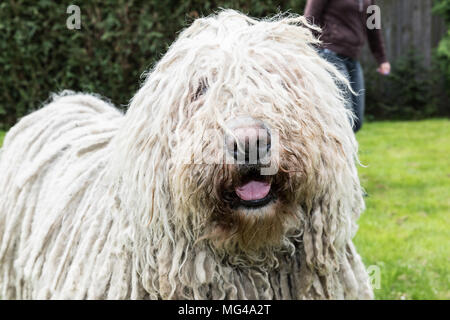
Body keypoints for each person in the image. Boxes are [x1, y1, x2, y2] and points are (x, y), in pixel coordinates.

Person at [304, 0, 391, 132]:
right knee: (344, 118)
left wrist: (382, 58)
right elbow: (309, 20)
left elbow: (373, 27)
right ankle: (334, 151)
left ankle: (330, 149)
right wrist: (309, 52)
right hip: (329, 55)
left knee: (356, 121)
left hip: (353, 59)